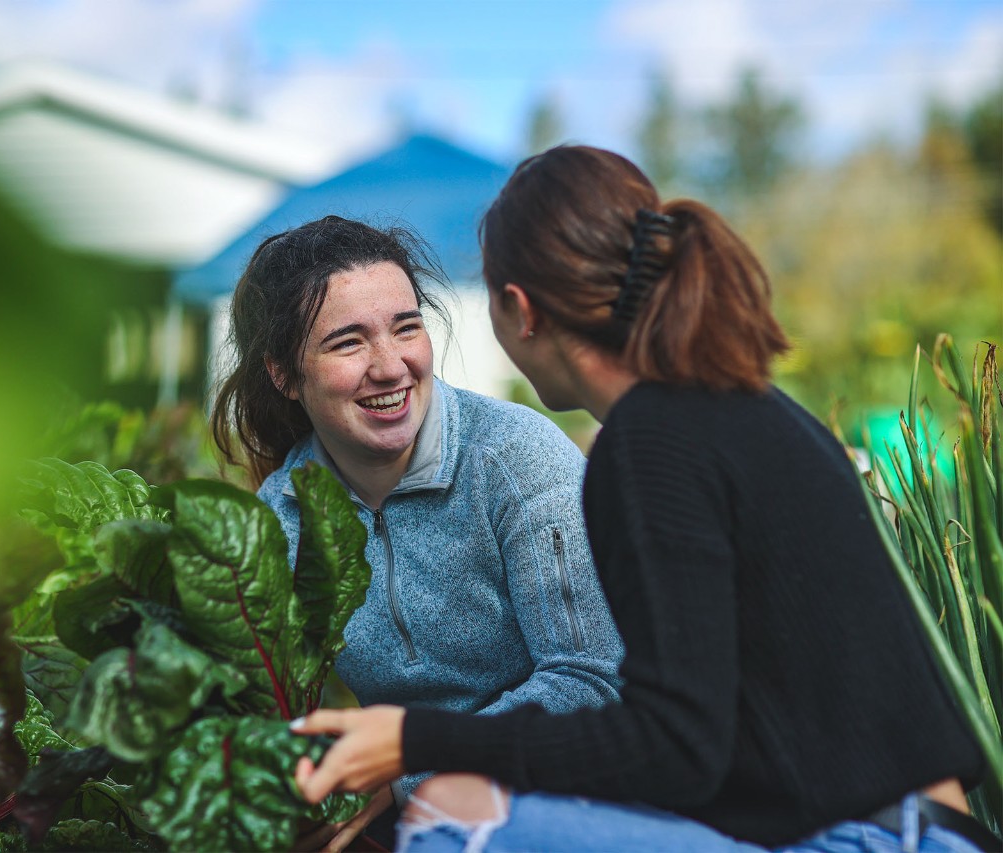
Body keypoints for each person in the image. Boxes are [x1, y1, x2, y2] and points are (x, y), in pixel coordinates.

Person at [289, 149, 994, 852]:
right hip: (915, 825)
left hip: (873, 839)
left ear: (519, 309)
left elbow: (677, 744)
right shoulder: (739, 403)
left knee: (451, 813)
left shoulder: (649, 446)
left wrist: (417, 739)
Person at [210, 215, 625, 849]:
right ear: (285, 375)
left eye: (406, 327)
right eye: (348, 342)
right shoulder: (281, 518)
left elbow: (593, 681)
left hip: (569, 800)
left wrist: (403, 771)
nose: (390, 365)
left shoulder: (515, 461)